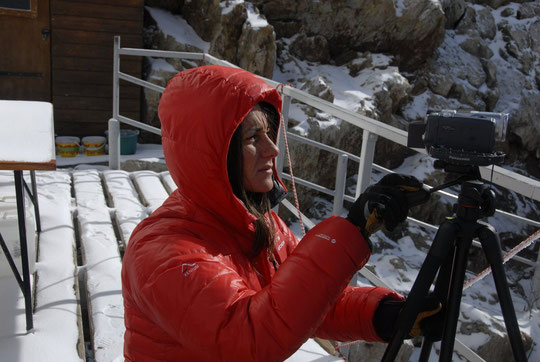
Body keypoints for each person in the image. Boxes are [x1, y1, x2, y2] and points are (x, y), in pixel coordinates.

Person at [121, 65, 438, 361]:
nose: (273, 150)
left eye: (270, 134)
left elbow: (303, 302)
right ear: (214, 154)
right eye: (252, 138)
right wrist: (352, 229)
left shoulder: (255, 219)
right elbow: (250, 337)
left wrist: (385, 316)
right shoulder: (164, 254)